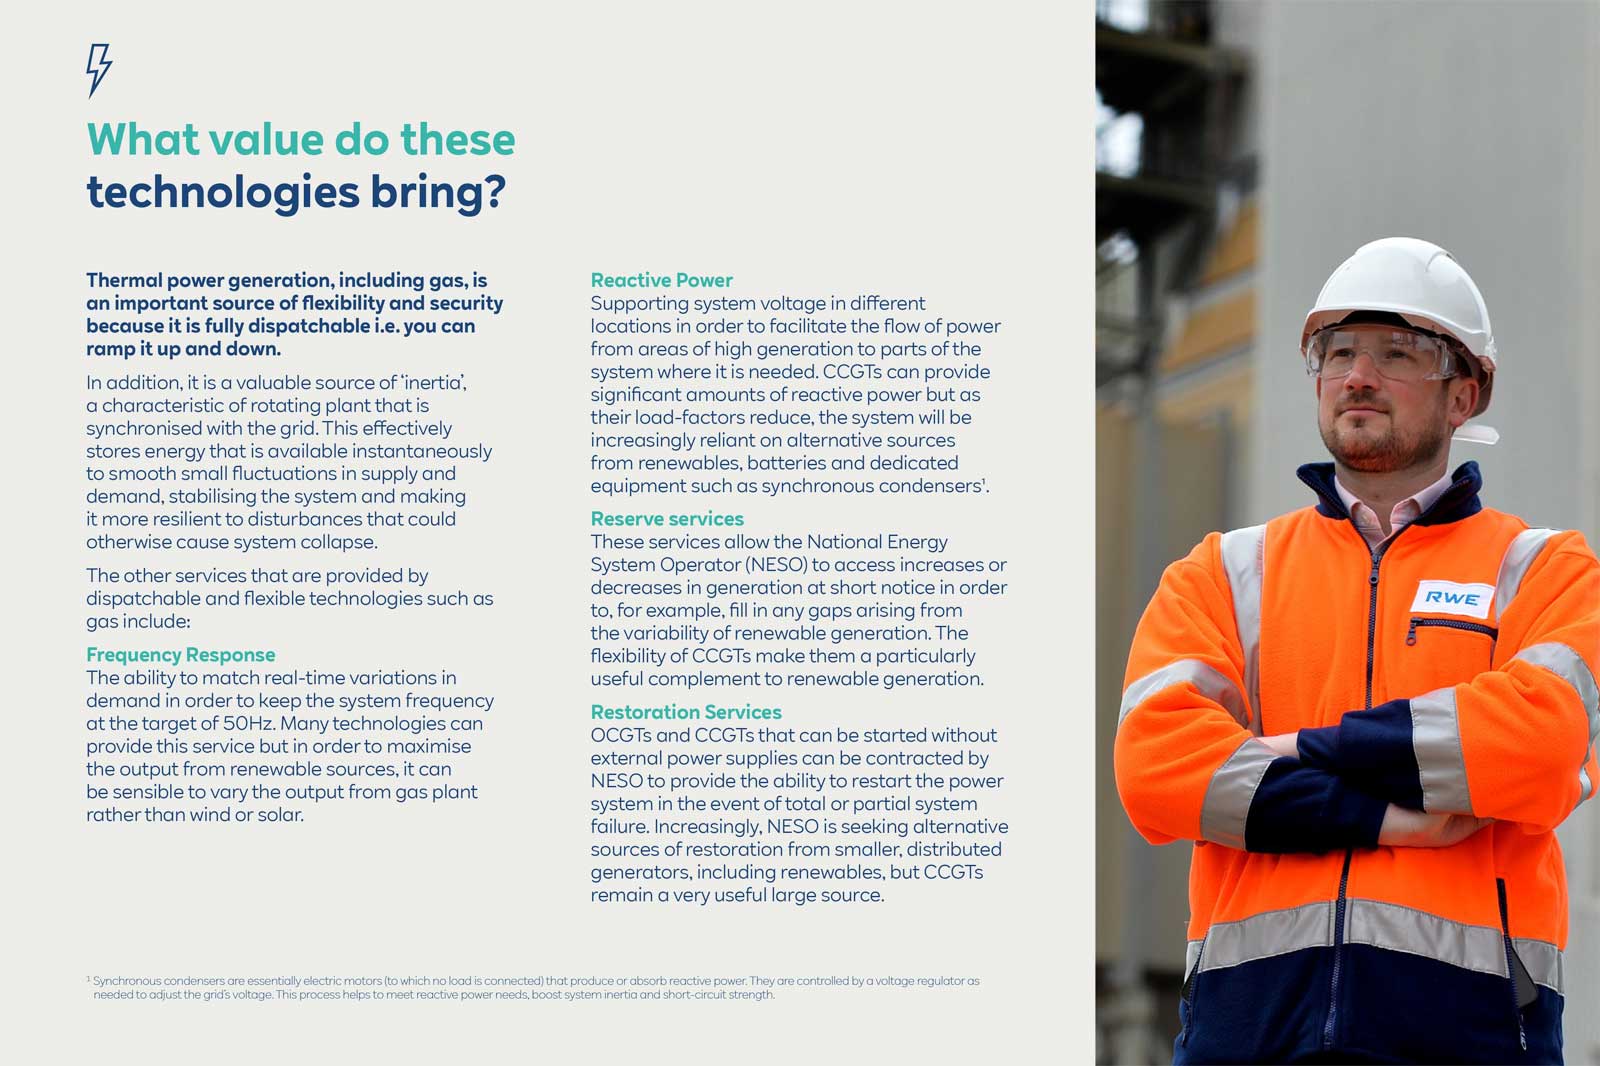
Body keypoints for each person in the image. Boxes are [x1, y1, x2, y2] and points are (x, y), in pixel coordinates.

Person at [1113, 237, 1600, 1064]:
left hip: (1473, 1027)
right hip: (1249, 1023)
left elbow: (1540, 745)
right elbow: (1157, 770)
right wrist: (1390, 817)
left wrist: (1301, 746)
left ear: (1465, 393)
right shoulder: (1222, 574)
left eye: (1395, 354)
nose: (1357, 376)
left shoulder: (1546, 570)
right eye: (1338, 353)